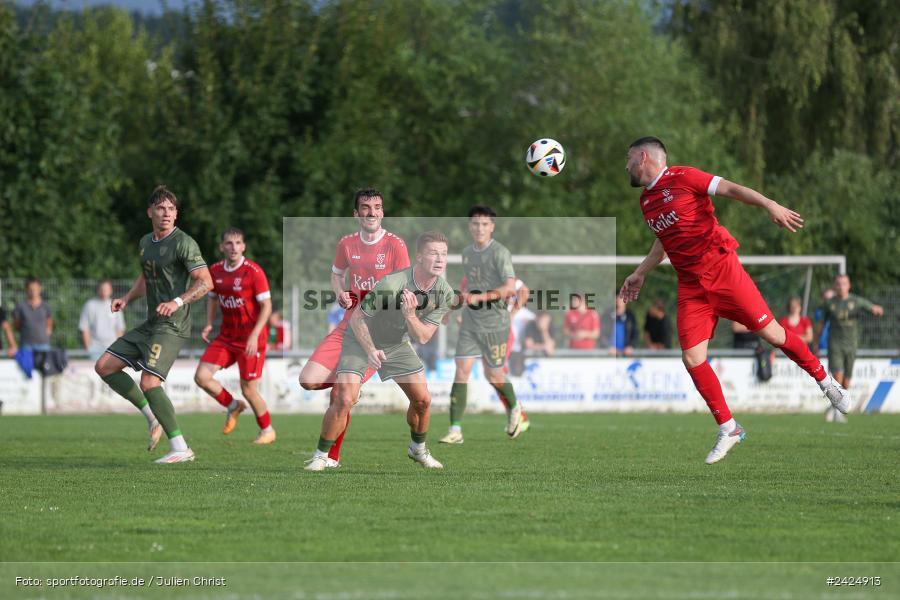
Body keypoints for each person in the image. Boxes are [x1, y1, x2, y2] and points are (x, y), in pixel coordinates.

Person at [620, 137, 849, 464]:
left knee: (772, 335)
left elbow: (731, 189)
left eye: (628, 159)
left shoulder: (683, 177)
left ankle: (827, 383)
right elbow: (664, 240)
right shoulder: (646, 201)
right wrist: (641, 271)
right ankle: (729, 427)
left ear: (643, 158)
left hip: (723, 271)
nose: (625, 166)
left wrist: (769, 203)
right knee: (692, 358)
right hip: (691, 286)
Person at [304, 231, 454, 471]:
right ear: (419, 257)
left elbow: (423, 337)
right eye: (433, 253)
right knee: (343, 398)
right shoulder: (394, 282)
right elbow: (358, 318)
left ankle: (418, 449)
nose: (440, 259)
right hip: (360, 339)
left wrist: (410, 315)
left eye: (444, 254)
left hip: (396, 344)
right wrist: (370, 350)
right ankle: (321, 456)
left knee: (423, 401)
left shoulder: (445, 293)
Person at [94, 185, 212, 464]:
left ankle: (181, 448)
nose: (166, 213)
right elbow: (147, 276)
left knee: (149, 381)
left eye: (171, 209)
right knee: (105, 366)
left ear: (176, 213)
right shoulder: (146, 242)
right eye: (160, 208)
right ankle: (152, 418)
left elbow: (206, 282)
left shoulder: (184, 243)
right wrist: (127, 298)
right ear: (150, 212)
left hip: (172, 325)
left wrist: (177, 302)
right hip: (151, 323)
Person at [298, 188, 410, 468]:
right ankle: (349, 384)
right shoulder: (346, 244)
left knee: (343, 396)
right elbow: (336, 275)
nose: (371, 212)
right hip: (348, 325)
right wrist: (339, 292)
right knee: (308, 380)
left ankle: (325, 457)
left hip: (379, 334)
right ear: (356, 213)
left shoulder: (396, 245)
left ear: (382, 212)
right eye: (365, 207)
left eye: (377, 207)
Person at [440, 205, 528, 445]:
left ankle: (514, 407)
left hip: (495, 324)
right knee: (461, 371)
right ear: (469, 227)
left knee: (494, 375)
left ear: (492, 227)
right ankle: (455, 429)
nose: (480, 228)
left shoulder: (500, 253)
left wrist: (480, 298)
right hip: (470, 323)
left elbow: (511, 288)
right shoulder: (467, 253)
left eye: (485, 224)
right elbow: (468, 288)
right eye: (476, 224)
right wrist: (449, 309)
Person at [194, 228, 275, 444]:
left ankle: (267, 430)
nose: (233, 247)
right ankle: (233, 406)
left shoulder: (253, 272)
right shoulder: (215, 270)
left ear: (244, 246)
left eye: (238, 243)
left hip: (251, 339)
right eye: (229, 243)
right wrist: (210, 323)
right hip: (227, 337)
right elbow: (212, 298)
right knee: (201, 376)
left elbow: (266, 306)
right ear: (222, 247)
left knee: (248, 389)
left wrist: (255, 334)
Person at [816, 273, 884, 422]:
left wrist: (875, 308)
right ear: (835, 286)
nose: (841, 286)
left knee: (846, 381)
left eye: (844, 283)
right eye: (838, 284)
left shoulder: (855, 301)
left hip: (851, 345)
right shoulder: (830, 304)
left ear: (849, 285)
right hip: (835, 344)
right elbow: (821, 323)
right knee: (838, 375)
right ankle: (838, 412)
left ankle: (834, 406)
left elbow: (868, 306)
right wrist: (816, 341)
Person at [79, 280, 126, 361]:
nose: (104, 292)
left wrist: (118, 348)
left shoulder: (116, 305)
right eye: (102, 289)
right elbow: (84, 328)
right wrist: (88, 348)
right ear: (98, 290)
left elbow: (120, 329)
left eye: (106, 290)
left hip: (112, 348)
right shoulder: (90, 305)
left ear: (111, 291)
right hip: (95, 348)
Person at [13, 277, 53, 351]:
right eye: (30, 289)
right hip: (26, 344)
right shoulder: (20, 305)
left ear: (39, 289)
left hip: (43, 345)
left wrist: (46, 334)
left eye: (35, 289)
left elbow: (49, 324)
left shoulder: (46, 305)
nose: (33, 291)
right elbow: (17, 325)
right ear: (26, 290)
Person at [813, 288, 834, 355]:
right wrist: (815, 345)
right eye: (826, 299)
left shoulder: (840, 312)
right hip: (822, 349)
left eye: (831, 299)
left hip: (836, 348)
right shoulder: (819, 312)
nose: (828, 301)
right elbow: (816, 331)